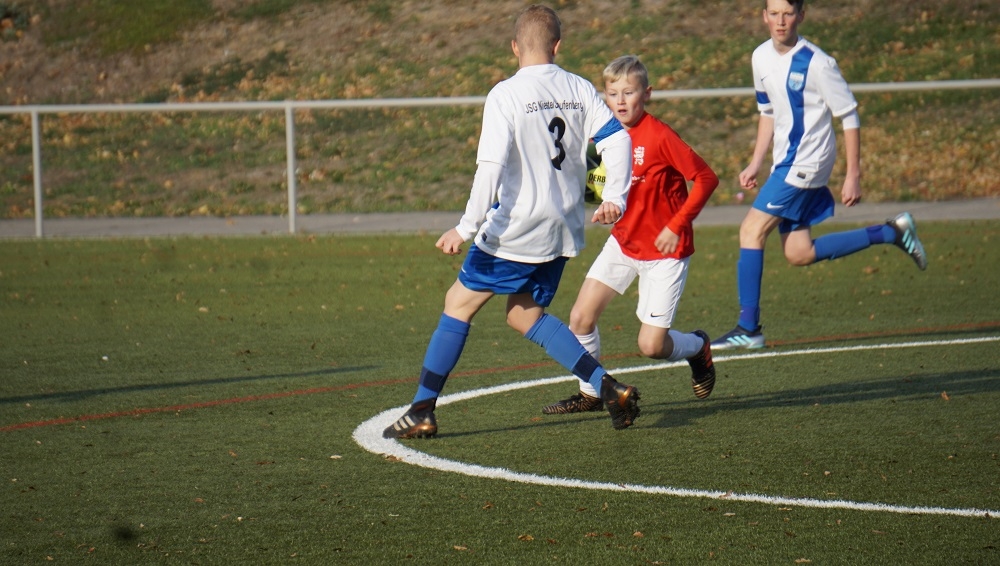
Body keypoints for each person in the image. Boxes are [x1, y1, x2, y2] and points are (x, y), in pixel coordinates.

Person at [383, 4, 640, 439]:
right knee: (524, 314)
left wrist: (465, 227)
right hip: (563, 227)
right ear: (557, 46)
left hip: (517, 228)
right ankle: (608, 387)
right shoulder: (579, 87)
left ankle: (422, 410)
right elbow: (618, 139)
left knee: (457, 303)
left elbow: (491, 167)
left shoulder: (505, 94)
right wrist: (615, 196)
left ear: (515, 47)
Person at [711, 0, 928, 351]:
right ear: (764, 16)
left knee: (751, 230)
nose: (781, 21)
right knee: (799, 252)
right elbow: (767, 112)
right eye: (774, 13)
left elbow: (849, 116)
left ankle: (748, 328)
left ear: (801, 15)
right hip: (786, 161)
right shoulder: (760, 57)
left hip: (808, 162)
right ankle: (892, 232)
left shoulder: (818, 63)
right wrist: (755, 163)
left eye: (788, 13)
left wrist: (853, 174)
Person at [541, 55, 720, 415]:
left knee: (651, 346)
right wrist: (602, 207)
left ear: (646, 94)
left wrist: (676, 225)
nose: (620, 101)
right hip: (623, 243)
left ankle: (698, 347)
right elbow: (600, 191)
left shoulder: (659, 135)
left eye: (629, 92)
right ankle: (592, 393)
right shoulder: (601, 137)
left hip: (665, 252)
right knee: (580, 318)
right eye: (613, 93)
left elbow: (706, 178)